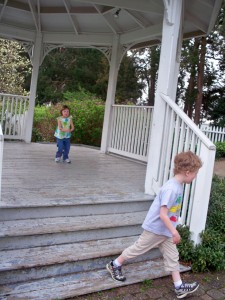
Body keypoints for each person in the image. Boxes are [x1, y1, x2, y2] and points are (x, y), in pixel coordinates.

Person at [106, 151, 202, 299]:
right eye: (195, 173)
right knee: (138, 249)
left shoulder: (178, 185)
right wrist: (174, 232)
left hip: (166, 231)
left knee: (172, 256)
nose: (196, 176)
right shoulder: (171, 188)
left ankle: (179, 287)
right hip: (156, 228)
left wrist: (171, 231)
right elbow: (163, 214)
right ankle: (115, 264)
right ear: (188, 172)